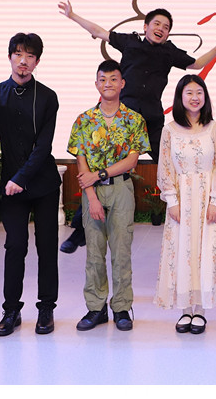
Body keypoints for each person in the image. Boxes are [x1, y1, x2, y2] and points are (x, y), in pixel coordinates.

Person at [57, 0, 216, 253]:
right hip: (123, 119)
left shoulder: (169, 52)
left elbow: (197, 63)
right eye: (156, 24)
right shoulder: (130, 42)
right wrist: (73, 15)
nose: (161, 29)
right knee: (100, 167)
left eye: (166, 27)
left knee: (173, 162)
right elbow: (99, 31)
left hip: (151, 119)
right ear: (146, 26)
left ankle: (193, 213)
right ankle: (79, 231)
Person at [0, 33, 62, 337]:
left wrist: (20, 178)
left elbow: (44, 146)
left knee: (47, 246)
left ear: (37, 61)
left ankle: (46, 308)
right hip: (9, 187)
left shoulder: (48, 97)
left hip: (43, 184)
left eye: (30, 56)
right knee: (15, 245)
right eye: (18, 54)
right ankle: (11, 310)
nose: (23, 61)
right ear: (10, 57)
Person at [68, 59, 150, 332]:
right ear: (96, 84)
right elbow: (81, 161)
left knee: (121, 252)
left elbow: (132, 160)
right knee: (94, 253)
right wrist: (91, 197)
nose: (108, 84)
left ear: (122, 83)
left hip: (121, 189)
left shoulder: (134, 119)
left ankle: (122, 308)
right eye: (103, 79)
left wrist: (100, 174)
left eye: (113, 79)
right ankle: (96, 308)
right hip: (92, 192)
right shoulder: (83, 120)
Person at [153, 75, 216, 335]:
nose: (195, 97)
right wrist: (172, 200)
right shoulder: (169, 130)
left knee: (206, 250)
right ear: (180, 97)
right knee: (182, 251)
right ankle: (184, 309)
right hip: (181, 199)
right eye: (189, 92)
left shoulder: (214, 128)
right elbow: (165, 167)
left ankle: (200, 310)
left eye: (199, 92)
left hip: (209, 200)